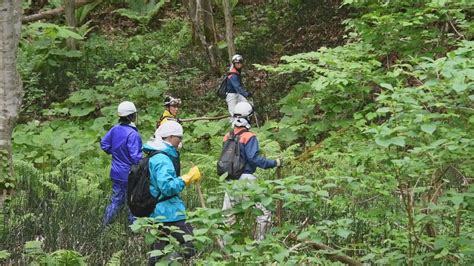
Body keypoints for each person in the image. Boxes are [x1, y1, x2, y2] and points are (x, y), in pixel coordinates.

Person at [220, 102, 282, 241]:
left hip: (229, 180)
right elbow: (254, 159)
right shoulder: (249, 136)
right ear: (248, 117)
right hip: (247, 179)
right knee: (264, 212)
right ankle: (259, 244)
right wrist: (274, 163)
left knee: (227, 214)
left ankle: (226, 246)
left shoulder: (227, 136)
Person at [143, 121, 201, 264]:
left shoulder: (155, 154)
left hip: (156, 211)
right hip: (169, 212)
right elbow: (167, 187)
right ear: (169, 137)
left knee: (157, 253)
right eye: (179, 137)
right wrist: (186, 178)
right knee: (191, 244)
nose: (180, 141)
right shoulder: (162, 159)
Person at [100, 101, 143, 226]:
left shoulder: (115, 129)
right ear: (131, 116)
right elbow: (136, 158)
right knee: (132, 201)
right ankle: (133, 228)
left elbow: (104, 144)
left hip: (116, 172)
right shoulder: (133, 134)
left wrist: (115, 152)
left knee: (116, 200)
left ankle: (105, 224)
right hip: (130, 174)